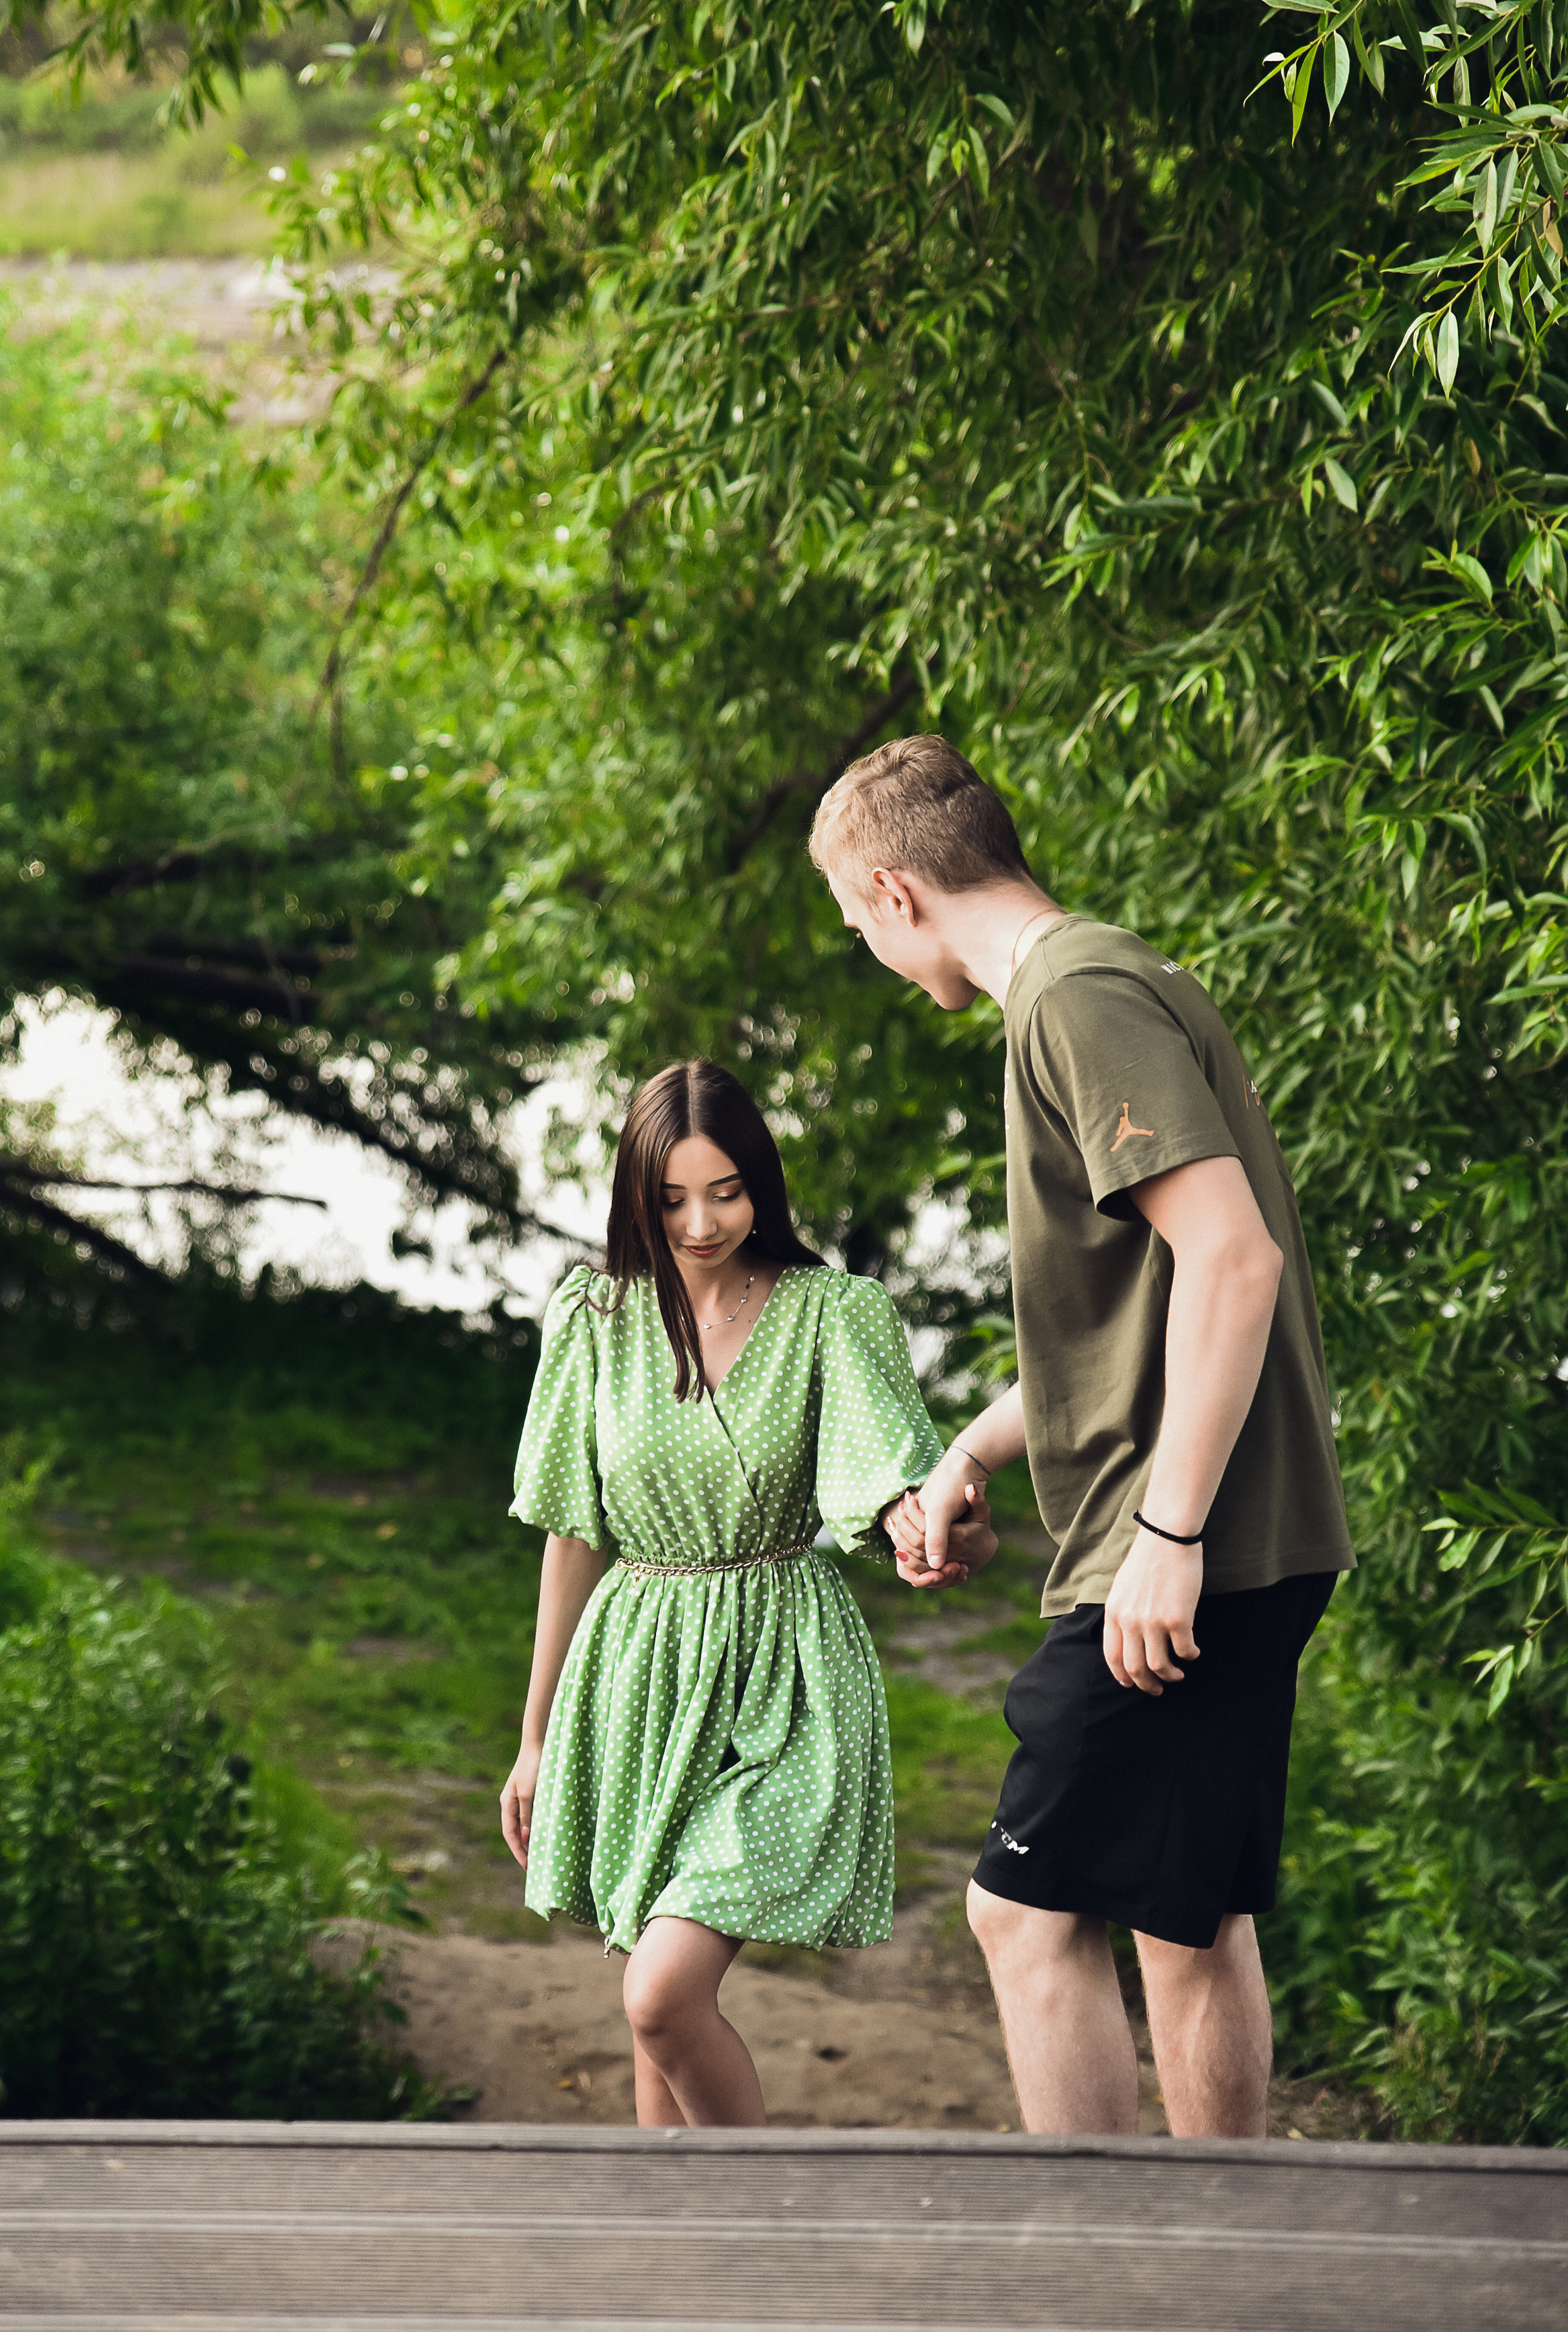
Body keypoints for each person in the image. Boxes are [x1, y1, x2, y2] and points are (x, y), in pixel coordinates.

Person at [807, 734, 1355, 2139]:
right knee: (1184, 1920)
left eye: (849, 923)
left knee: (1022, 1915)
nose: (864, 946)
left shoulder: (1073, 995)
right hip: (1236, 1538)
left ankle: (1103, 2275)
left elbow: (1233, 1264)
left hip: (1184, 1553)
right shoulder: (1102, 978)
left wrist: (1165, 1538)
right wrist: (971, 1453)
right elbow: (1135, 1312)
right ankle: (1217, 2267)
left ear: (889, 893)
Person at [498, 1057, 970, 2127]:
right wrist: (533, 1739)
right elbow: (574, 1534)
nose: (703, 1221)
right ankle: (680, 2270)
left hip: (782, 1673)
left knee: (660, 1994)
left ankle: (766, 2226)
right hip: (638, 1665)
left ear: (762, 1184)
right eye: (671, 1197)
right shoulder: (594, 1317)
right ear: (635, 1195)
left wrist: (922, 1521)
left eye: (726, 1189)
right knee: (646, 2008)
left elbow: (881, 1468)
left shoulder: (827, 1312)